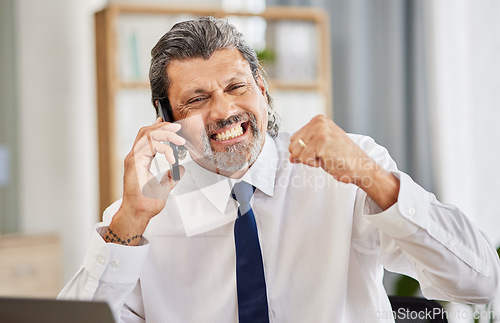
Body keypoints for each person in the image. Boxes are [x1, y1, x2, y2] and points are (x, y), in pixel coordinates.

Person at [59, 17, 500, 323]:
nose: (225, 110)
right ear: (165, 117)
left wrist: (377, 180)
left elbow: (478, 281)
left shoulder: (346, 173)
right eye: (197, 99)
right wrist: (130, 221)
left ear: (263, 90)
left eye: (237, 87)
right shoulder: (140, 216)